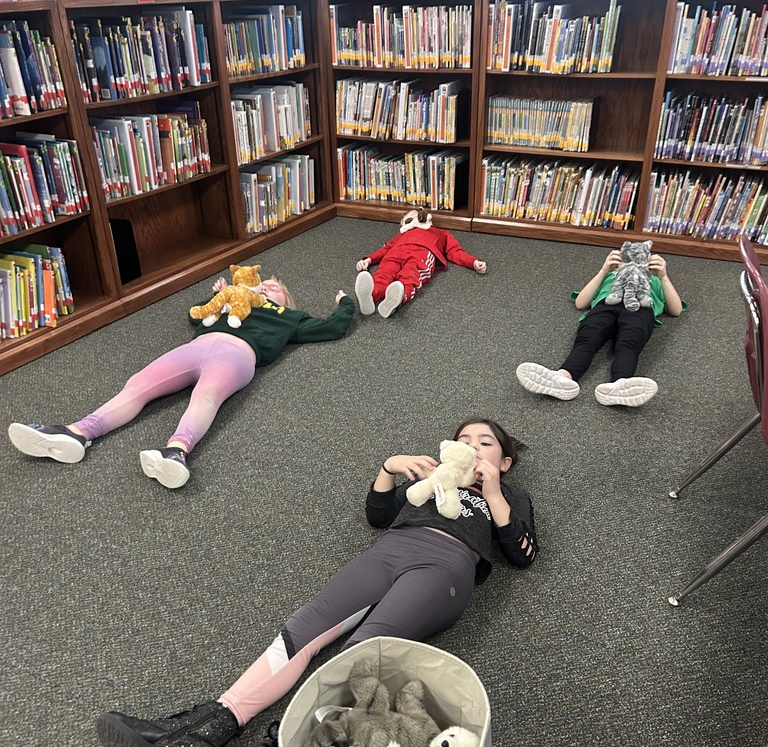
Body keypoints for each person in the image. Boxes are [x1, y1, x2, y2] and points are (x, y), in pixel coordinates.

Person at [95, 418, 538, 747]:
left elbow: (523, 554)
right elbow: (378, 516)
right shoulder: (428, 477)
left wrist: (494, 492)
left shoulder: (509, 495)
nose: (471, 448)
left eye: (485, 444)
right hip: (390, 550)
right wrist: (390, 467)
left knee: (364, 650)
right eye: (462, 441)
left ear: (504, 461)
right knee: (305, 626)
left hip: (446, 565)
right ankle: (205, 728)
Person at [7, 275, 354, 489]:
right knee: (138, 384)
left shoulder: (290, 318)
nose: (265, 287)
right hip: (196, 347)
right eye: (260, 285)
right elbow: (195, 315)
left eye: (274, 287)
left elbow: (332, 327)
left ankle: (177, 452)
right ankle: (78, 432)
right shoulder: (228, 306)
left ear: (286, 300)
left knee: (206, 397)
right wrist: (215, 296)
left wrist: (344, 303)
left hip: (236, 355)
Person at [516, 248, 684, 408]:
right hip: (607, 305)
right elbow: (581, 302)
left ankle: (620, 384)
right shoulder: (610, 276)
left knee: (629, 343)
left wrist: (663, 276)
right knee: (587, 339)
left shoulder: (653, 280)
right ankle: (563, 377)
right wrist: (604, 270)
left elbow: (675, 310)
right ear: (617, 265)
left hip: (639, 306)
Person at [354, 207, 488, 318]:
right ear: (404, 225)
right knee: (383, 273)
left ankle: (398, 297)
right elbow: (386, 248)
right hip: (395, 252)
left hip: (422, 252)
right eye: (409, 219)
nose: (414, 219)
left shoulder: (440, 233)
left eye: (417, 216)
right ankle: (370, 296)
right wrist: (369, 259)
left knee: (411, 275)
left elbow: (455, 251)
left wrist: (473, 262)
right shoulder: (401, 234)